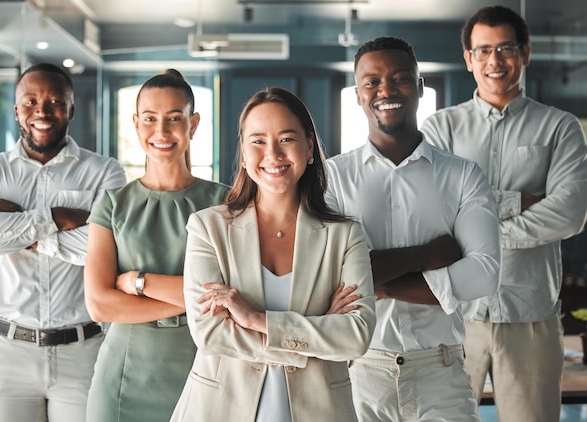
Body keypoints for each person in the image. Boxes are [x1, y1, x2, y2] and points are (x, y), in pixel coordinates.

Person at [421, 6, 587, 422]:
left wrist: (477, 226)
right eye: (483, 50)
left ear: (525, 53)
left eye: (506, 48)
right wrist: (522, 200)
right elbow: (435, 210)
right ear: (469, 59)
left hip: (530, 313)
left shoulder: (560, 128)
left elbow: (569, 213)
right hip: (453, 316)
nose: (494, 61)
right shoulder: (441, 128)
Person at [170, 86, 376, 422]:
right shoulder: (208, 229)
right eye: (258, 141)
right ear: (243, 153)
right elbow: (209, 333)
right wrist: (317, 332)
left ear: (309, 147)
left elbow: (355, 337)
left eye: (286, 139)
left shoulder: (346, 235)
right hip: (218, 410)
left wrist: (255, 320)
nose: (273, 154)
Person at [325, 36, 501, 422]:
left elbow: (483, 274)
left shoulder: (463, 175)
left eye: (400, 77)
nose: (385, 90)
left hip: (442, 374)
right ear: (357, 95)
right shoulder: (332, 179)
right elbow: (328, 276)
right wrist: (427, 256)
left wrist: (377, 284)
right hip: (359, 373)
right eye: (371, 82)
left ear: (420, 87)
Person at [0, 63, 126, 422]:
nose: (42, 110)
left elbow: (107, 249)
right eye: (31, 101)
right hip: (7, 352)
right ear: (17, 109)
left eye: (54, 101)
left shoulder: (105, 171)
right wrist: (55, 218)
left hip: (84, 351)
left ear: (70, 109)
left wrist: (18, 230)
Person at [84, 69, 229, 422]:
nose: (161, 132)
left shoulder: (225, 202)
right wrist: (193, 303)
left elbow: (236, 296)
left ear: (193, 124)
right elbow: (100, 305)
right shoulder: (112, 203)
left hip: (205, 372)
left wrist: (139, 283)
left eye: (174, 118)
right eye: (150, 119)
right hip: (124, 379)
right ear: (136, 124)